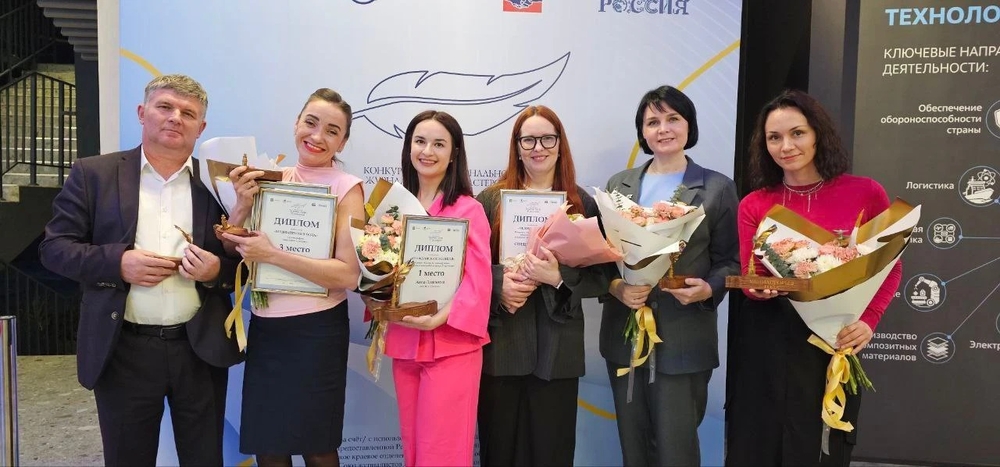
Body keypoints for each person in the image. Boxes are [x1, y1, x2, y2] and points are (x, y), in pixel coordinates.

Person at [38, 74, 243, 465]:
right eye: (165, 107)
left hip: (199, 349)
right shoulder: (94, 174)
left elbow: (246, 265)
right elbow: (54, 249)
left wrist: (217, 270)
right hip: (123, 349)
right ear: (141, 112)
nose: (175, 118)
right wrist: (118, 263)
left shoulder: (219, 184)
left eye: (188, 113)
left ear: (201, 128)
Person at [725, 89, 902, 466]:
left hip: (831, 338)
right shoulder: (754, 203)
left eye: (797, 133)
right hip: (767, 341)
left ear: (818, 133)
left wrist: (869, 320)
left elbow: (889, 265)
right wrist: (756, 289)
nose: (786, 146)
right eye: (774, 137)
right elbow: (750, 275)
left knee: (821, 447)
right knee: (759, 445)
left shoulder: (865, 193)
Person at [599, 85, 740, 466]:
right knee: (634, 448)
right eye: (652, 122)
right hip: (625, 336)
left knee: (676, 450)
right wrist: (617, 287)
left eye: (673, 119)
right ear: (642, 132)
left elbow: (731, 261)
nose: (663, 129)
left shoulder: (716, 188)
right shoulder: (617, 186)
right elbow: (600, 258)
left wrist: (707, 289)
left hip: (683, 338)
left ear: (689, 125)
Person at [223, 88, 364, 467]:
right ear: (296, 124)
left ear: (342, 142)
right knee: (268, 446)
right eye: (311, 123)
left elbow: (348, 274)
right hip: (267, 330)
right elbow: (232, 248)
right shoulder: (268, 179)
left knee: (317, 447)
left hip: (317, 332)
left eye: (332, 131)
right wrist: (242, 205)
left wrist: (273, 255)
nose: (317, 136)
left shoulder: (347, 188)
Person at [474, 105, 604, 466]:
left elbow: (603, 278)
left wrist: (558, 277)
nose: (538, 148)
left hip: (557, 353)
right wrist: (499, 285)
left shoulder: (581, 202)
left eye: (547, 138)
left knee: (552, 454)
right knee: (500, 453)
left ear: (560, 145)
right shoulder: (490, 201)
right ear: (516, 147)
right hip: (503, 349)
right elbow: (470, 270)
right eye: (528, 140)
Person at [383, 110, 491, 466]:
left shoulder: (469, 209)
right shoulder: (393, 207)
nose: (427, 151)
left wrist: (438, 318)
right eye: (420, 141)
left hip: (452, 342)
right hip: (406, 339)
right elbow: (378, 267)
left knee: (443, 451)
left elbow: (478, 280)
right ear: (408, 147)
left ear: (454, 153)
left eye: (439, 144)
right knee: (413, 447)